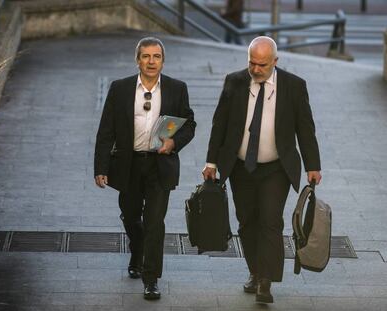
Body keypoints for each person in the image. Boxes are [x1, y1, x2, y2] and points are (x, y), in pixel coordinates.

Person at [202, 36, 321, 304]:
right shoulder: (234, 81)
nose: (256, 69)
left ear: (275, 62)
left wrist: (313, 165)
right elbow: (218, 124)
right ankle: (255, 272)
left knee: (270, 220)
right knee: (246, 221)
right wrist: (211, 162)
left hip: (277, 168)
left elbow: (305, 127)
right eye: (252, 63)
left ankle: (266, 282)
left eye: (262, 65)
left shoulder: (293, 86)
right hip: (241, 167)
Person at [94, 37, 196, 300]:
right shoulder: (120, 89)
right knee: (130, 217)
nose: (151, 62)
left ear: (163, 60)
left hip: (159, 165)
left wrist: (173, 142)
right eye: (146, 56)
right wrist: (100, 167)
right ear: (137, 59)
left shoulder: (177, 88)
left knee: (154, 223)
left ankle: (151, 279)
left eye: (157, 56)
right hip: (128, 165)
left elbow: (189, 124)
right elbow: (106, 130)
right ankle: (137, 251)